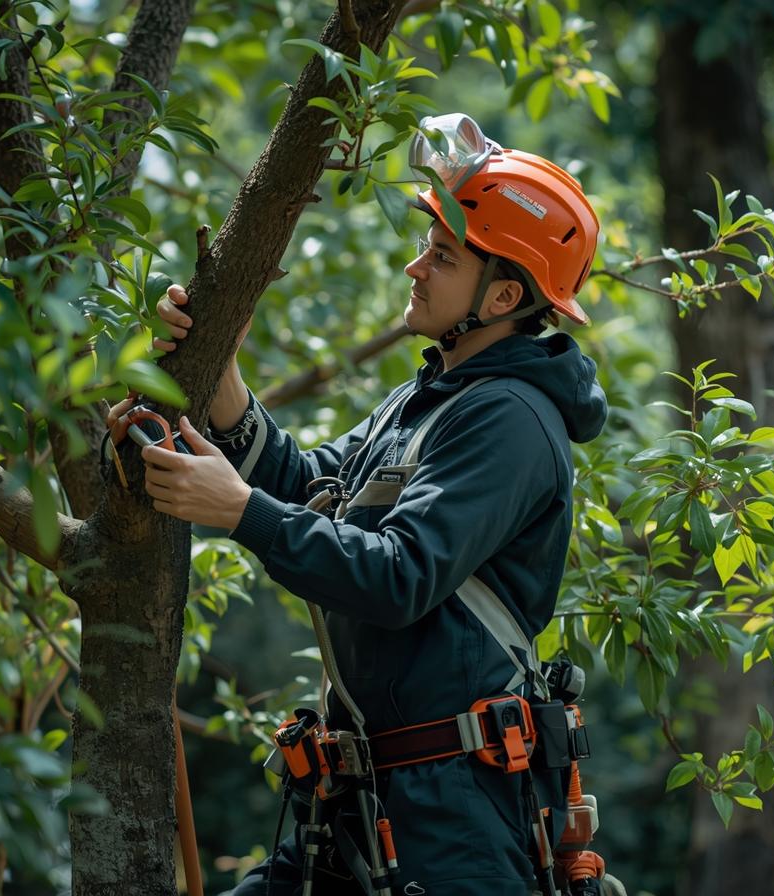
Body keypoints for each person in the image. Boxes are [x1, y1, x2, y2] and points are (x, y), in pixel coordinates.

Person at [114, 115, 608, 895]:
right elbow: (312, 486)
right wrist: (220, 378)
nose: (415, 268)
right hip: (361, 809)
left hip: (453, 829)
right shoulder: (429, 398)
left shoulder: (510, 420)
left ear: (504, 293)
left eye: (442, 256)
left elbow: (398, 577)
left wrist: (241, 512)